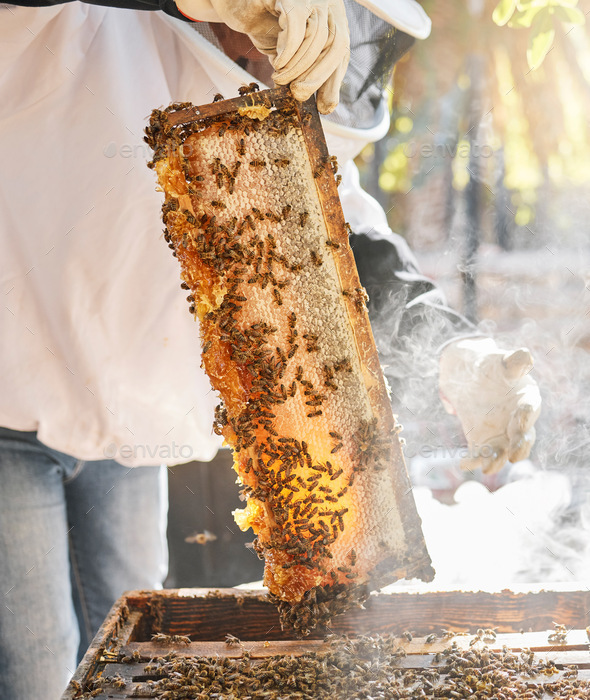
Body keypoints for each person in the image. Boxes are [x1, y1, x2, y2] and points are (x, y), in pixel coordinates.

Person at [0, 1, 540, 698]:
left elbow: (349, 245)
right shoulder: (86, 21)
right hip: (8, 409)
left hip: (128, 431)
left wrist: (454, 351)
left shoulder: (276, 123)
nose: (274, 46)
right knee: (36, 669)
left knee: (130, 668)